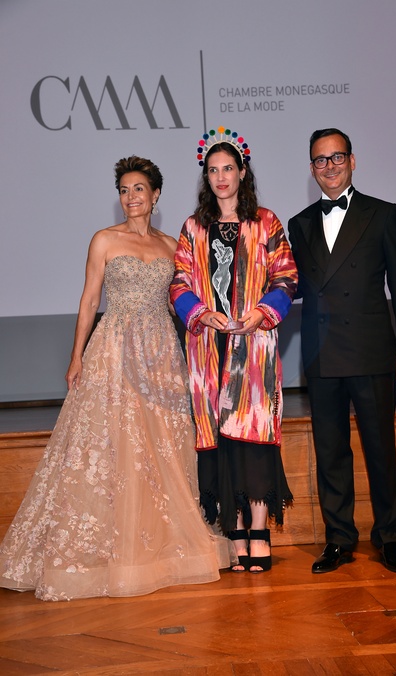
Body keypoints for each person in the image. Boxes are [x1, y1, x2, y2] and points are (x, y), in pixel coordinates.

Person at [0, 155, 230, 601]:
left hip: (161, 354)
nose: (130, 197)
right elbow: (89, 301)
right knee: (114, 443)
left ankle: (158, 546)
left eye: (138, 189)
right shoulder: (104, 240)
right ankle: (110, 548)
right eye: (124, 190)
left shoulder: (172, 245)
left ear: (155, 195)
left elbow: (185, 301)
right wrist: (76, 357)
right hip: (114, 350)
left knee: (162, 445)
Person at [288, 128, 396, 574]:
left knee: (380, 450)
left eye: (337, 157)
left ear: (352, 160)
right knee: (331, 452)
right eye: (320, 160)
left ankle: (389, 538)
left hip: (371, 351)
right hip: (321, 354)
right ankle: (339, 539)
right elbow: (295, 285)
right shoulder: (299, 223)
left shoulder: (382, 214)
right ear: (311, 168)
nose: (329, 166)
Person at [170, 126, 298, 573]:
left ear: (243, 172)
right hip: (210, 347)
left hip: (253, 345)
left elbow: (287, 277)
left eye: (228, 168)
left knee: (254, 437)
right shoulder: (193, 227)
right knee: (222, 442)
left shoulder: (266, 221)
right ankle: (235, 529)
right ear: (205, 176)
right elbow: (179, 282)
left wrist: (261, 314)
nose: (221, 177)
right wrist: (202, 314)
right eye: (213, 170)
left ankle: (259, 530)